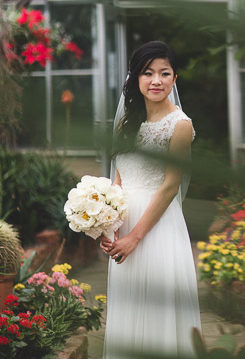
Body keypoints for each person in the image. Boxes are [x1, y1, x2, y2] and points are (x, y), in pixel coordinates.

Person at [100, 41, 201, 358]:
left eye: (164, 73)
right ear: (136, 78)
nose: (156, 80)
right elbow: (118, 177)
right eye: (148, 73)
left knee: (158, 312)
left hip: (156, 228)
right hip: (125, 223)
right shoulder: (124, 123)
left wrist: (134, 237)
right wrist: (109, 227)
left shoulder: (180, 125)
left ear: (174, 78)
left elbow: (171, 185)